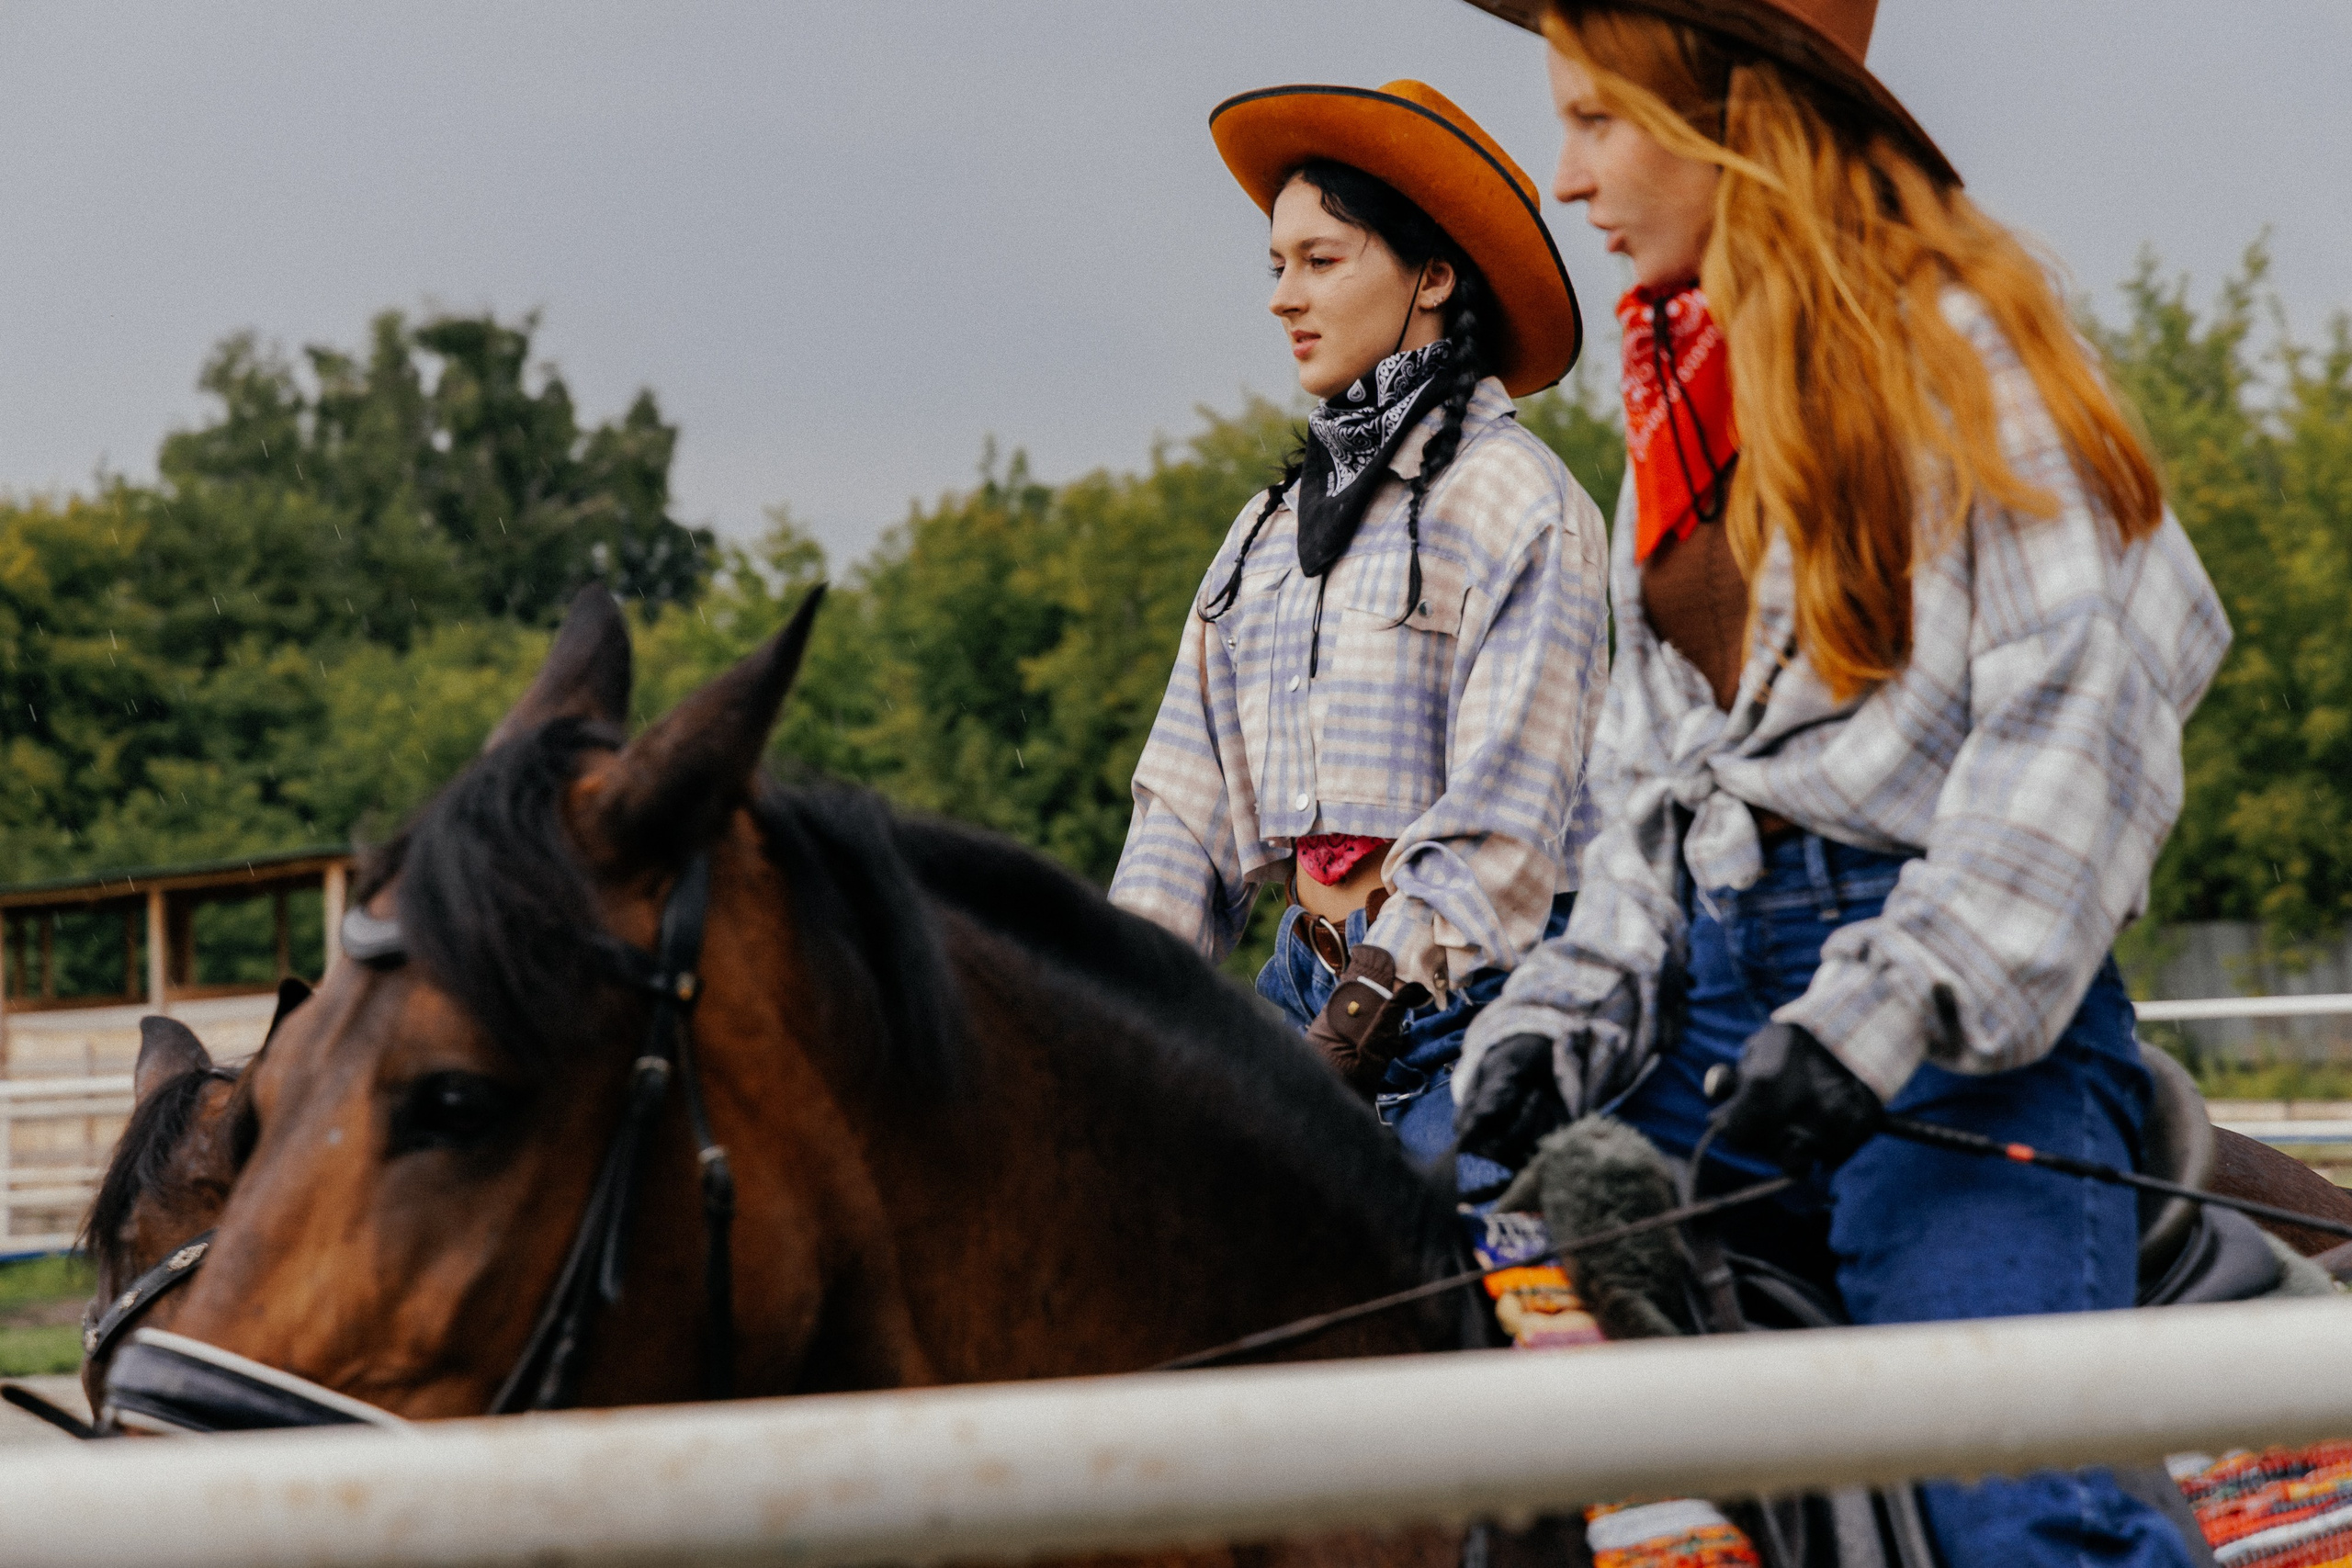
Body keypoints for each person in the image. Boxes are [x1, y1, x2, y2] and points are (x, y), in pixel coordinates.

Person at [1448, 4, 2228, 1565]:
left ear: (1738, 117)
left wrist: (1877, 1027)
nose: (1567, 173)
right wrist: (1552, 1015)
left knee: (2004, 1508)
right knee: (1392, 1335)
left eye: (1600, 121)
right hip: (1707, 994)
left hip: (1963, 1031)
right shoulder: (1676, 402)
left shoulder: (1961, 353)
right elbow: (1646, 795)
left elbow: (2082, 723)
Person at [1110, 80, 1611, 1194]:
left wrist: (1372, 1001)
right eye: (1276, 265)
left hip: (1474, 1012)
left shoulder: (1517, 503)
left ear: (1432, 276)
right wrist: (1113, 1008)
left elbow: (1504, 826)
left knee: (1478, 1294)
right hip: (1303, 998)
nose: (1284, 297)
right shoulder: (1263, 535)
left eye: (1320, 261)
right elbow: (1183, 823)